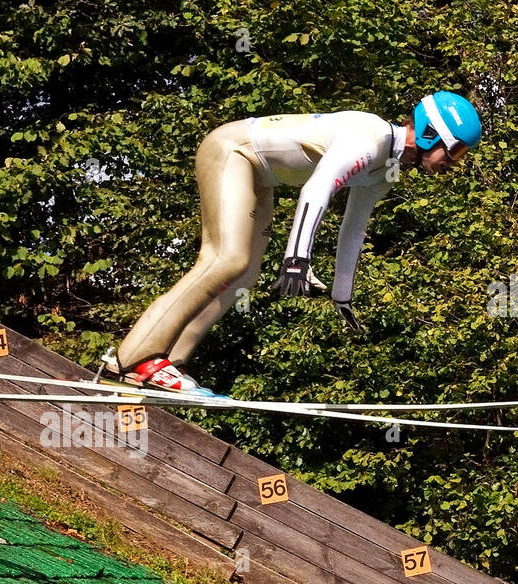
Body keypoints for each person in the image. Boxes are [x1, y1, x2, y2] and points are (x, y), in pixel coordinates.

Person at [98, 91, 483, 394]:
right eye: (457, 150)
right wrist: (296, 259)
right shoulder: (371, 138)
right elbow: (318, 188)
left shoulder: (388, 169)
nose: (455, 162)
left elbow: (354, 228)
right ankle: (135, 358)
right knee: (225, 260)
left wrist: (342, 296)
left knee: (243, 275)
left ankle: (169, 362)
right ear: (432, 133)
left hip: (260, 175)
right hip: (231, 152)